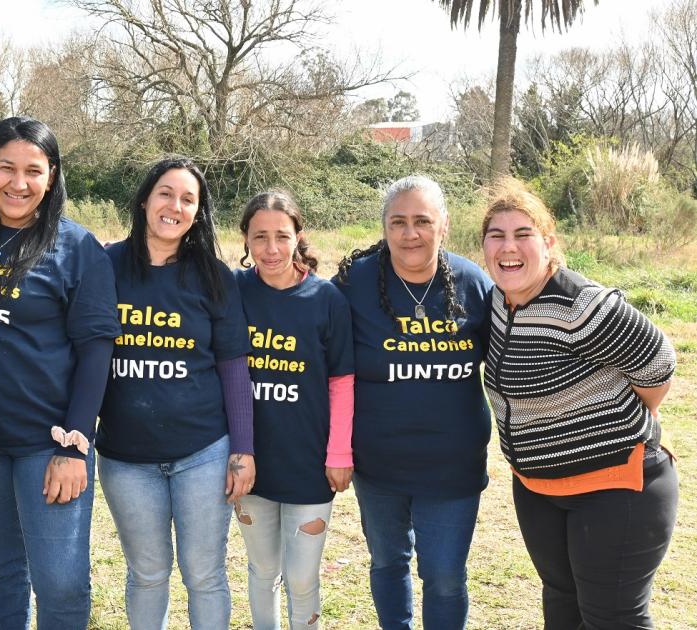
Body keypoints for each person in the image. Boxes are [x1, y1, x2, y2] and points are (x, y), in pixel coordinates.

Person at [0, 116, 121, 629]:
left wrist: (73, 445)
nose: (19, 183)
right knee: (0, 572)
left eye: (33, 171)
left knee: (60, 584)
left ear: (52, 174)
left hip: (49, 443)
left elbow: (95, 351)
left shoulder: (76, 247)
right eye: (6, 168)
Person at [480, 178, 678, 629]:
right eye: (497, 235)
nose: (509, 247)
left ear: (549, 244)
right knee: (562, 608)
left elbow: (659, 364)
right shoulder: (498, 300)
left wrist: (633, 421)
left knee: (612, 619)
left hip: (615, 489)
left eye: (523, 234)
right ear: (485, 248)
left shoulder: (582, 305)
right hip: (538, 490)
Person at [96, 157, 255, 630]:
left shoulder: (212, 276)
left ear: (198, 212)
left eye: (189, 199)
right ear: (145, 199)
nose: (175, 206)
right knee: (147, 574)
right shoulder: (104, 265)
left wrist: (243, 449)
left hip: (203, 454)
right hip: (126, 458)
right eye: (166, 193)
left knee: (204, 573)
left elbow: (232, 367)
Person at [333, 175, 493, 630]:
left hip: (453, 466)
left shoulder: (473, 283)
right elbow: (317, 342)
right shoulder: (354, 283)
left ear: (443, 225)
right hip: (378, 464)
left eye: (422, 221)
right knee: (388, 563)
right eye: (398, 222)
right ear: (383, 227)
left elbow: (510, 362)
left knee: (443, 577)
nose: (410, 234)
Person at [233, 191, 355, 630]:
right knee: (262, 570)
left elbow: (342, 382)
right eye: (259, 236)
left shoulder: (326, 299)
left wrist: (339, 454)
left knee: (302, 577)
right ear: (245, 239)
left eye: (281, 236)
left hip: (309, 462)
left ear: (298, 237)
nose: (270, 249)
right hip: (249, 462)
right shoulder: (233, 290)